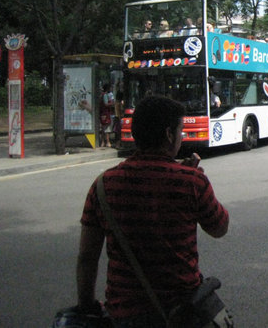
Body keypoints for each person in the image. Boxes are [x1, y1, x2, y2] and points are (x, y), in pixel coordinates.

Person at [76, 95, 229, 327]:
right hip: (182, 312)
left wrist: (86, 304)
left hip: (125, 314)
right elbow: (220, 227)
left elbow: (87, 257)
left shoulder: (103, 185)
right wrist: (191, 178)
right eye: (181, 131)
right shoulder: (191, 182)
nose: (182, 136)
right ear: (169, 134)